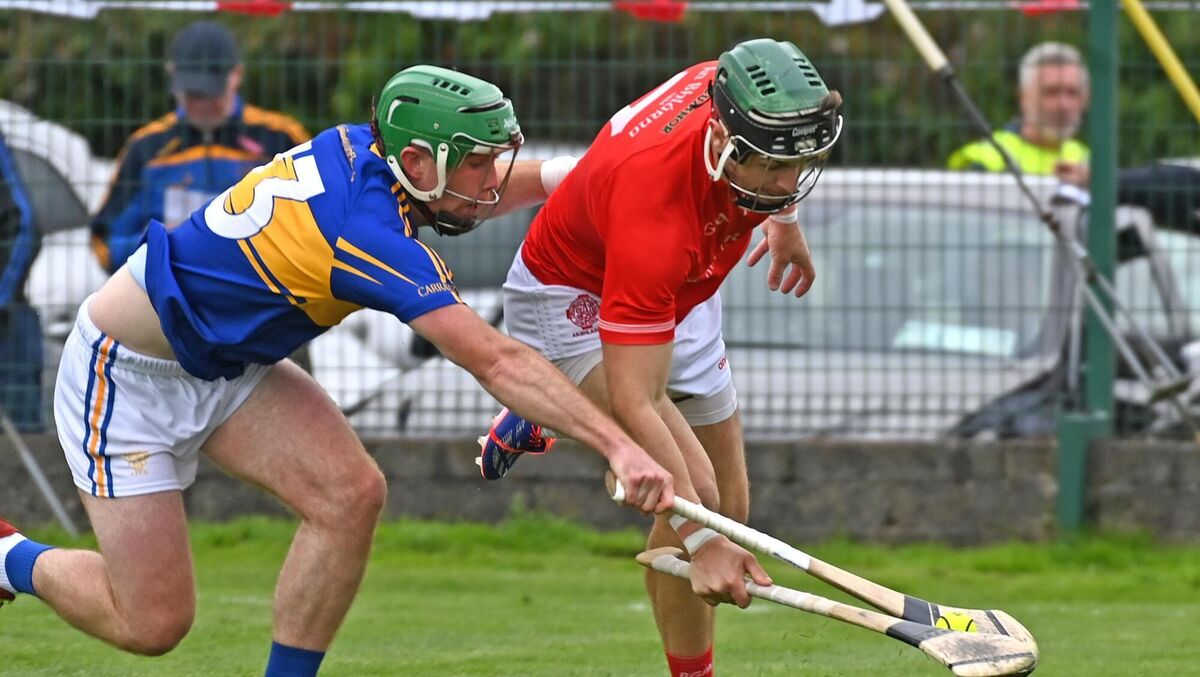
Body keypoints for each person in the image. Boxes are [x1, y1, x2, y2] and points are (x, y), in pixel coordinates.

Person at [0, 65, 678, 675]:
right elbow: (495, 358)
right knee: (152, 624)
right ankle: (10, 558)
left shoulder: (374, 152)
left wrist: (587, 175)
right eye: (479, 163)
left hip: (225, 363)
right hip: (127, 377)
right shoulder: (365, 229)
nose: (493, 178)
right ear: (417, 159)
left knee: (349, 496)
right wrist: (619, 443)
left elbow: (470, 198)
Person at [476, 38, 842, 676]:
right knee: (696, 502)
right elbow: (637, 398)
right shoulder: (653, 212)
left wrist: (782, 217)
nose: (790, 181)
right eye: (775, 169)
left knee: (730, 506)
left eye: (801, 162)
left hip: (686, 276)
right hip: (577, 299)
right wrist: (701, 546)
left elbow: (780, 151)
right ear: (725, 141)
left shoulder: (738, 92)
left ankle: (559, 412)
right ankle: (555, 402)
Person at [90, 20, 310, 274]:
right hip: (167, 295)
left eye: (211, 93)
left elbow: (319, 224)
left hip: (262, 290)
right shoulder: (145, 148)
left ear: (236, 75)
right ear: (173, 75)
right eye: (193, 93)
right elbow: (104, 239)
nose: (202, 103)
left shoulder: (282, 139)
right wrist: (159, 248)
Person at [947, 41, 1090, 182]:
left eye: (1072, 93)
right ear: (1023, 97)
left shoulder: (1089, 162)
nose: (1063, 105)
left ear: (1085, 99)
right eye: (1051, 92)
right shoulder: (986, 159)